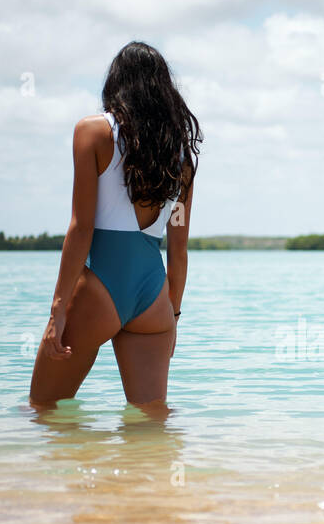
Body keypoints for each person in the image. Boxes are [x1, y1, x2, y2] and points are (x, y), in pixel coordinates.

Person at [29, 41, 201, 408]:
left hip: (99, 289)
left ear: (116, 84)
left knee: (44, 411)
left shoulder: (93, 132)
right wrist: (173, 318)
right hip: (154, 301)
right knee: (151, 430)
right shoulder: (181, 159)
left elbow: (81, 227)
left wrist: (57, 311)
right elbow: (179, 250)